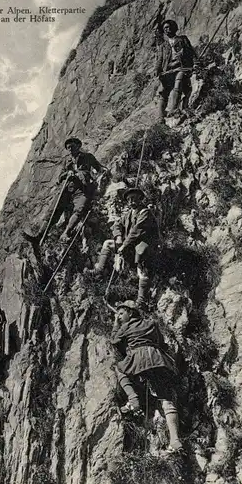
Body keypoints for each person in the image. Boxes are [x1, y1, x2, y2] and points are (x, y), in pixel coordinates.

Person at [111, 300, 183, 454]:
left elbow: (114, 341)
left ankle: (133, 399)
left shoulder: (124, 327)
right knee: (166, 398)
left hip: (139, 358)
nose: (119, 316)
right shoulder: (151, 323)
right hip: (157, 359)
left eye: (121, 313)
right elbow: (159, 341)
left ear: (130, 313)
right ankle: (175, 440)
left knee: (119, 369)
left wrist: (115, 324)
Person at [23, 137, 108, 245]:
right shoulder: (66, 161)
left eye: (72, 147)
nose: (70, 149)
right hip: (67, 188)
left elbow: (99, 168)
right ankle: (39, 235)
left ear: (78, 146)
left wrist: (102, 174)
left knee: (80, 209)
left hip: (82, 189)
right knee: (53, 211)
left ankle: (66, 233)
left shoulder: (88, 157)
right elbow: (59, 178)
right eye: (68, 148)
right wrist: (66, 174)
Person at [86, 187, 159, 308]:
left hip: (146, 245)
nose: (131, 201)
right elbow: (117, 224)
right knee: (108, 243)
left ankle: (141, 301)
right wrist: (119, 237)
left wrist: (124, 245)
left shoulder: (145, 212)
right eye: (129, 199)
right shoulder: (129, 214)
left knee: (141, 261)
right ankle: (99, 270)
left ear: (140, 199)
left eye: (134, 198)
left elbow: (136, 231)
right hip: (130, 245)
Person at [156, 19, 198, 122]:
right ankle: (160, 117)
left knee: (178, 80)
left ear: (174, 28)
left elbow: (191, 52)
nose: (168, 29)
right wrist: (157, 70)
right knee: (163, 91)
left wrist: (196, 63)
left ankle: (173, 109)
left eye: (170, 27)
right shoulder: (163, 46)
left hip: (182, 67)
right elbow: (159, 60)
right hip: (168, 70)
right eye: (165, 28)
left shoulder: (182, 39)